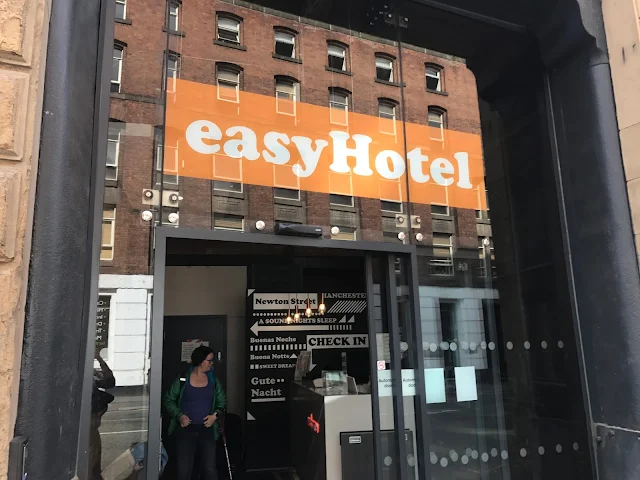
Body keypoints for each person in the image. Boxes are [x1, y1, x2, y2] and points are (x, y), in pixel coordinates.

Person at [163, 346, 226, 480]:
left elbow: (222, 402)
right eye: (209, 360)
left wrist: (214, 416)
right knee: (184, 470)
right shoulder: (182, 380)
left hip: (207, 430)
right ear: (200, 361)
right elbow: (169, 400)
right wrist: (179, 416)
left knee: (210, 469)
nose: (211, 363)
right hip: (185, 430)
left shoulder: (214, 381)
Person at [90, 353, 116, 480]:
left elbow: (110, 381)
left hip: (92, 426)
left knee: (94, 467)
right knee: (90, 467)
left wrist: (100, 359)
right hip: (87, 427)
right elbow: (109, 381)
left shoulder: (91, 373)